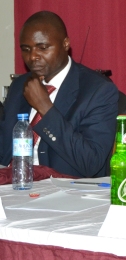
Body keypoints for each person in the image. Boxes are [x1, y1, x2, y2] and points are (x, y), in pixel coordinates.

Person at [0, 11, 118, 177]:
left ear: (65, 44)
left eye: (43, 48)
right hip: (12, 186)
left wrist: (45, 109)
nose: (33, 57)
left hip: (65, 192)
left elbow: (91, 163)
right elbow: (4, 149)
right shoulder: (20, 85)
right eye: (26, 49)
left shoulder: (98, 90)